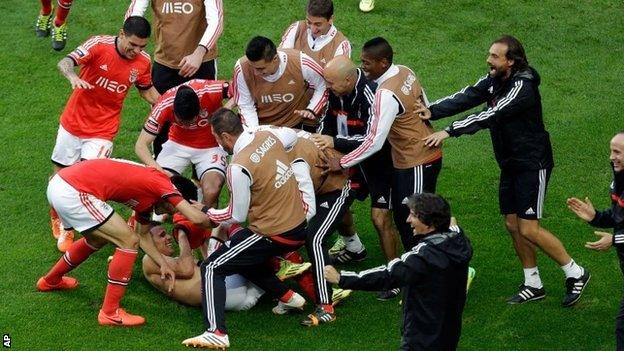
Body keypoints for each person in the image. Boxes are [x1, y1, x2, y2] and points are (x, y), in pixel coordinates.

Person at [419, 35, 590, 306]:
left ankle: (575, 272)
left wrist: (449, 131)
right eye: (490, 54)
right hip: (510, 163)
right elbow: (469, 95)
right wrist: (432, 111)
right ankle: (533, 282)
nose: (489, 60)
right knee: (513, 225)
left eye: (495, 56)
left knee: (529, 229)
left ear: (511, 60)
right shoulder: (494, 79)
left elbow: (492, 114)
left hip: (532, 164)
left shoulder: (523, 87)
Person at [181, 109, 309, 349]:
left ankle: (215, 332)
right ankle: (288, 297)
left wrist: (206, 212)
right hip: (299, 224)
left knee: (212, 267)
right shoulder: (268, 136)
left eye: (217, 139)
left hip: (274, 232)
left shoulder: (238, 167)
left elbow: (235, 215)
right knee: (241, 257)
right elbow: (293, 136)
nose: (218, 144)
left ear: (226, 136)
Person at [37, 158, 212, 326]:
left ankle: (51, 280)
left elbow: (143, 235)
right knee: (128, 241)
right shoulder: (164, 185)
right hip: (73, 191)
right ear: (176, 196)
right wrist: (225, 216)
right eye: (175, 207)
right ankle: (110, 312)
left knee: (96, 239)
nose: (171, 212)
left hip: (62, 185)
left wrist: (163, 264)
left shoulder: (149, 197)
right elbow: (197, 219)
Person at [49, 16, 160, 252]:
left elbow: (146, 90)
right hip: (72, 123)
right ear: (121, 34)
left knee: (89, 182)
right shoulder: (99, 45)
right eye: (132, 44)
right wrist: (73, 77)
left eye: (142, 46)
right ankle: (61, 220)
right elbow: (65, 62)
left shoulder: (142, 61)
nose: (136, 51)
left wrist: (164, 108)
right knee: (60, 177)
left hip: (102, 131)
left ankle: (82, 230)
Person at [324, 38, 442, 253]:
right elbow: (423, 101)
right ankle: (436, 265)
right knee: (421, 217)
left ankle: (436, 271)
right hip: (420, 155)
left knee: (415, 222)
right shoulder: (405, 71)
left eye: (368, 63)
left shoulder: (385, 94)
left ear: (384, 63)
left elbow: (374, 142)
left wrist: (342, 161)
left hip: (415, 159)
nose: (363, 68)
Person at [324, 193, 472, 350]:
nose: (408, 220)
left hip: (422, 336)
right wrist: (452, 226)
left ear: (429, 224)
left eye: (414, 216)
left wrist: (342, 278)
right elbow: (454, 225)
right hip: (449, 331)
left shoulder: (423, 257)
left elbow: (387, 275)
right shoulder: (459, 241)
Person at [312, 55, 400, 300]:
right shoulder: (334, 90)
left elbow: (374, 142)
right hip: (347, 160)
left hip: (378, 164)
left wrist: (336, 142)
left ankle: (394, 277)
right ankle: (353, 247)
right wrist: (320, 145)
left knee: (380, 218)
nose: (327, 87)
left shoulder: (373, 96)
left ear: (349, 79)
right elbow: (326, 123)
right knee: (336, 200)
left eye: (331, 83)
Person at [126, 0, 224, 159]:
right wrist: (131, 44)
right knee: (161, 118)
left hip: (201, 62)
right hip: (164, 63)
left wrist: (199, 53)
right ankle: (160, 172)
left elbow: (216, 21)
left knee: (205, 117)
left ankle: (201, 175)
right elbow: (134, 14)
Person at [567, 131, 624, 347]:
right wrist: (596, 217)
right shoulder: (618, 181)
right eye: (611, 151)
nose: (612, 156)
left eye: (617, 152)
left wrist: (614, 239)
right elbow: (619, 215)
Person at [135, 79, 230, 209]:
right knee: (155, 183)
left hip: (211, 146)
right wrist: (159, 170)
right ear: (174, 110)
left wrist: (225, 111)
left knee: (212, 190)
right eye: (183, 122)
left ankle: (207, 225)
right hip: (177, 144)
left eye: (192, 120)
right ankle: (165, 215)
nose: (188, 125)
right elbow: (140, 145)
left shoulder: (209, 89)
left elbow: (239, 88)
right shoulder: (164, 104)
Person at [143, 224, 265, 311]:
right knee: (222, 225)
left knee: (261, 268)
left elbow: (207, 263)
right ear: (149, 242)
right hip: (222, 292)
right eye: (162, 235)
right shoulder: (148, 259)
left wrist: (203, 240)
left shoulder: (174, 261)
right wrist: (182, 235)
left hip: (230, 294)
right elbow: (187, 270)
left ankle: (263, 286)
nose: (169, 237)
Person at [231, 36, 328, 131]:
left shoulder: (300, 62)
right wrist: (256, 132)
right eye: (253, 67)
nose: (256, 73)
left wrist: (311, 109)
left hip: (294, 124)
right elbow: (245, 104)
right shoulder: (242, 68)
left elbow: (323, 84)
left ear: (275, 59)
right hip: (261, 125)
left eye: (261, 69)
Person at [279, 0, 351, 67]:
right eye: (309, 22)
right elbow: (281, 60)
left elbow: (338, 79)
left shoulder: (341, 46)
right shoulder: (296, 28)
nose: (313, 29)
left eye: (318, 24)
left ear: (330, 19)